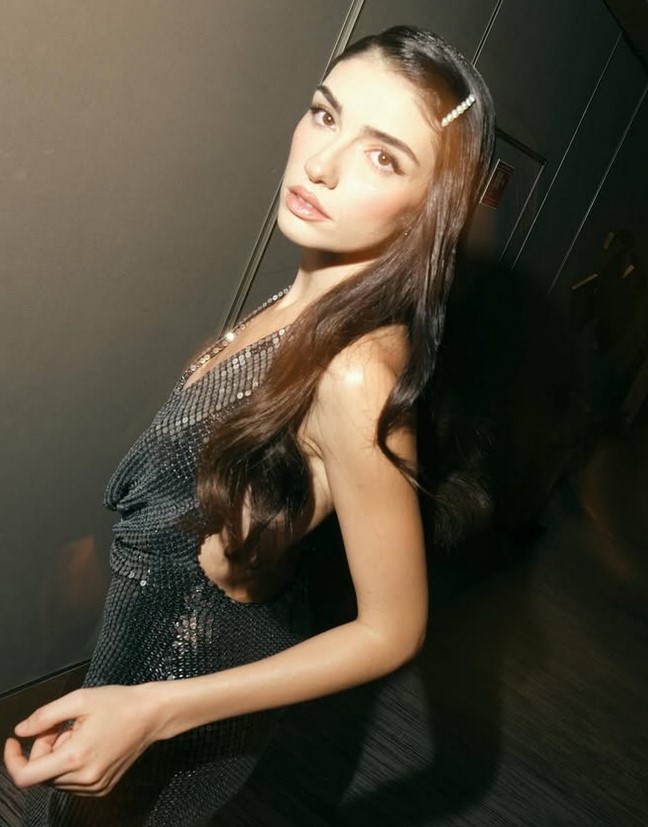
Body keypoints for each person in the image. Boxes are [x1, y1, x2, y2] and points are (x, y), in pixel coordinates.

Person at [5, 25, 495, 826]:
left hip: (184, 681)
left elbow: (394, 628)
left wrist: (154, 711)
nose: (321, 163)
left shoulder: (356, 371)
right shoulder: (300, 297)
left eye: (383, 156)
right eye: (325, 114)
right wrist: (115, 549)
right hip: (144, 643)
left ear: (428, 211)